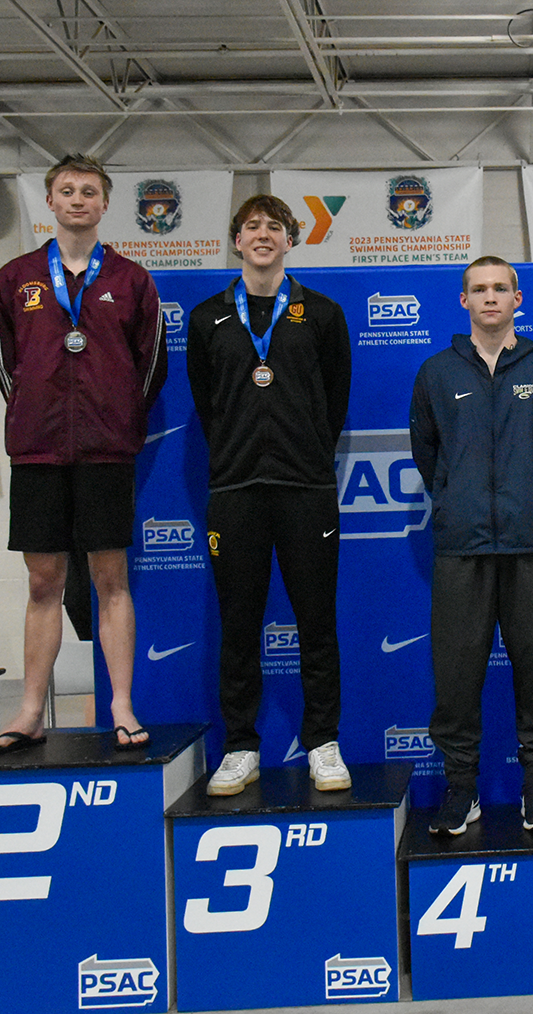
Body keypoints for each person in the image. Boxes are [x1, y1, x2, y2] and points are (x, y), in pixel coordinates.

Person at [0, 154, 166, 755]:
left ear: (105, 205)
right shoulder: (15, 277)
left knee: (111, 578)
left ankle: (121, 705)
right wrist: (32, 410)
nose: (78, 199)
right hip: (37, 451)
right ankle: (30, 710)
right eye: (66, 190)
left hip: (107, 452)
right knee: (41, 581)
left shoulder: (133, 280)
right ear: (50, 203)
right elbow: (4, 361)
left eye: (89, 191)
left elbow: (151, 366)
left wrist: (117, 419)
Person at [187, 195, 353, 795]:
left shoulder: (323, 314)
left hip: (306, 489)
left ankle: (324, 743)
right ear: (236, 241)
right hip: (235, 490)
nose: (263, 235)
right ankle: (240, 746)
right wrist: (238, 454)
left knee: (317, 622)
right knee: (238, 624)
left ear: (292, 240)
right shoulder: (208, 319)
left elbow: (334, 403)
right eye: (252, 226)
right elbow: (208, 405)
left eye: (274, 227)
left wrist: (305, 453)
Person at [410, 256, 533, 833]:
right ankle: (462, 791)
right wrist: (459, 500)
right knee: (456, 678)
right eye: (478, 289)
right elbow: (426, 454)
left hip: (532, 544)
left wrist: (526, 496)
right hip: (462, 548)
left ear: (517, 298)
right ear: (463, 302)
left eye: (499, 289)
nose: (489, 297)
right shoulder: (436, 372)